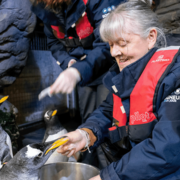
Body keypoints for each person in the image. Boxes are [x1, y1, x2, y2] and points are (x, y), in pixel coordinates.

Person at [55, 1, 180, 179]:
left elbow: (167, 149)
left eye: (122, 43)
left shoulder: (174, 77)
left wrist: (108, 176)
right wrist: (86, 134)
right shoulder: (127, 74)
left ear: (151, 37)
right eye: (111, 45)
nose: (114, 53)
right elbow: (108, 111)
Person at [31, 0, 123, 124]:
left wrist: (77, 71)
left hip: (109, 67)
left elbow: (107, 42)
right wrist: (68, 62)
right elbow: (53, 43)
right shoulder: (46, 9)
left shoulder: (96, 2)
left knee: (109, 115)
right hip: (83, 73)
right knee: (89, 117)